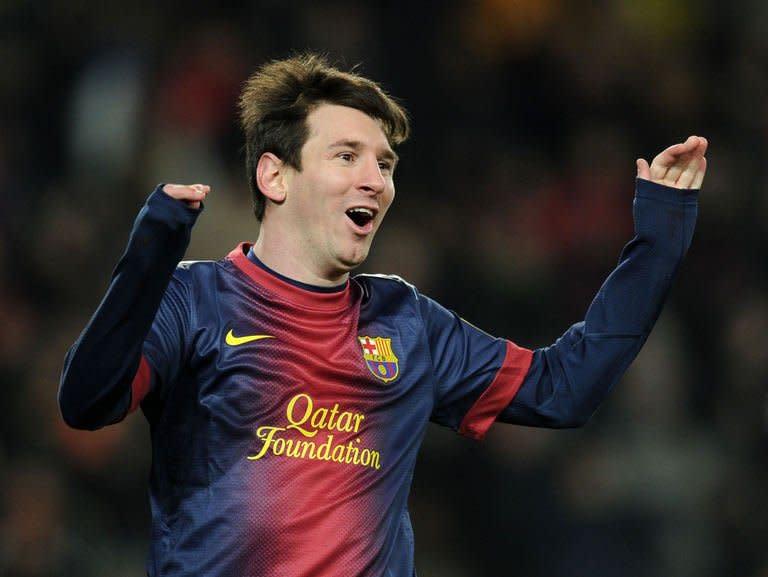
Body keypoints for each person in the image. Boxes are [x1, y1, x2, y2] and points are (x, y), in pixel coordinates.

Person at [59, 53, 708, 577]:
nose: (376, 179)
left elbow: (564, 389)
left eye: (385, 163)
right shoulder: (193, 299)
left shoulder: (407, 322)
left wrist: (658, 241)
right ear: (274, 176)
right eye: (347, 156)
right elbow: (88, 402)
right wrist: (149, 255)